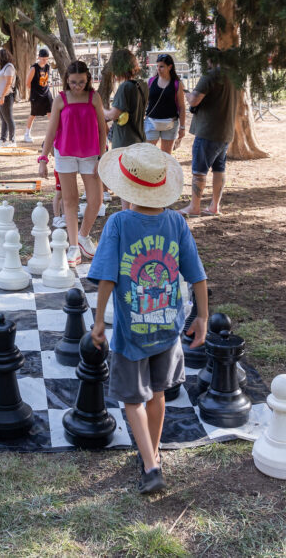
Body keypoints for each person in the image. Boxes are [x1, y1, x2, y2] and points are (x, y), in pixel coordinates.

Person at [88, 143, 207, 493]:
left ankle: (152, 464)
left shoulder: (119, 223)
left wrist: (98, 322)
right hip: (169, 326)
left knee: (132, 399)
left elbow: (107, 277)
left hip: (132, 332)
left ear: (124, 189)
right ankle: (150, 454)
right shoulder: (176, 221)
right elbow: (197, 275)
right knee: (157, 394)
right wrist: (201, 316)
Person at [36, 60, 107, 266]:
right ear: (67, 80)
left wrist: (102, 157)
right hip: (65, 153)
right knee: (70, 200)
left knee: (96, 200)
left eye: (82, 82)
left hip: (90, 154)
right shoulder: (60, 100)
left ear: (88, 80)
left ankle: (84, 236)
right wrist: (43, 158)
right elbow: (50, 131)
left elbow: (103, 129)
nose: (77, 86)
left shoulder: (94, 98)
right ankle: (74, 246)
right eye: (74, 82)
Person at [181, 51, 236, 217]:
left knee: (199, 171)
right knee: (219, 168)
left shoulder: (211, 75)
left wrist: (185, 92)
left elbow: (194, 100)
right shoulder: (232, 77)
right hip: (225, 131)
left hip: (208, 131)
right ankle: (214, 206)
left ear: (210, 60)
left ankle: (194, 207)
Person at [104, 49, 148, 150]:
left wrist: (101, 110)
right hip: (139, 139)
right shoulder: (143, 84)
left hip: (124, 143)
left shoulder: (125, 87)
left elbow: (114, 114)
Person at [145, 53, 187, 153]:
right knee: (148, 154)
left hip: (170, 123)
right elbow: (145, 102)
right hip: (151, 122)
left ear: (170, 67)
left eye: (162, 66)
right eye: (157, 66)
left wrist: (182, 127)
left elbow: (182, 107)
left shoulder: (177, 84)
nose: (158, 69)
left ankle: (164, 170)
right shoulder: (151, 81)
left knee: (166, 156)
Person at [23, 48, 54, 143]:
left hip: (46, 92)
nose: (45, 60)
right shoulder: (34, 68)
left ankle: (55, 134)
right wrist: (34, 92)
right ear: (39, 57)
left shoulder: (48, 67)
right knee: (33, 114)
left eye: (46, 59)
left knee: (51, 113)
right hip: (36, 94)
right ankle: (27, 134)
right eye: (43, 58)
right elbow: (28, 83)